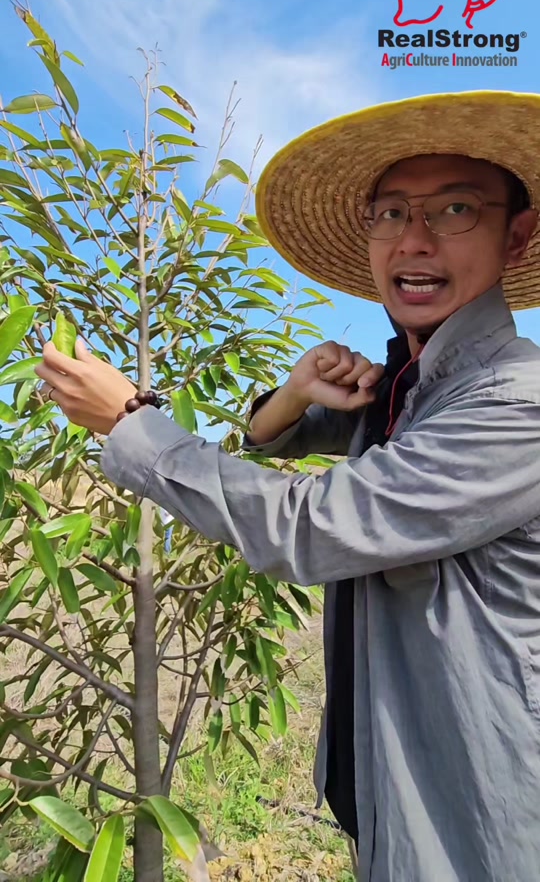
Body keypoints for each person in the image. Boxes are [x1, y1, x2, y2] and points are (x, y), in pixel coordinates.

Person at [35, 89, 540, 882]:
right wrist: (298, 392)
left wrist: (129, 421)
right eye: (391, 212)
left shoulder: (516, 403)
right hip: (394, 801)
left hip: (479, 818)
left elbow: (314, 524)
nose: (414, 239)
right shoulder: (413, 388)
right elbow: (273, 440)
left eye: (455, 209)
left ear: (518, 234)